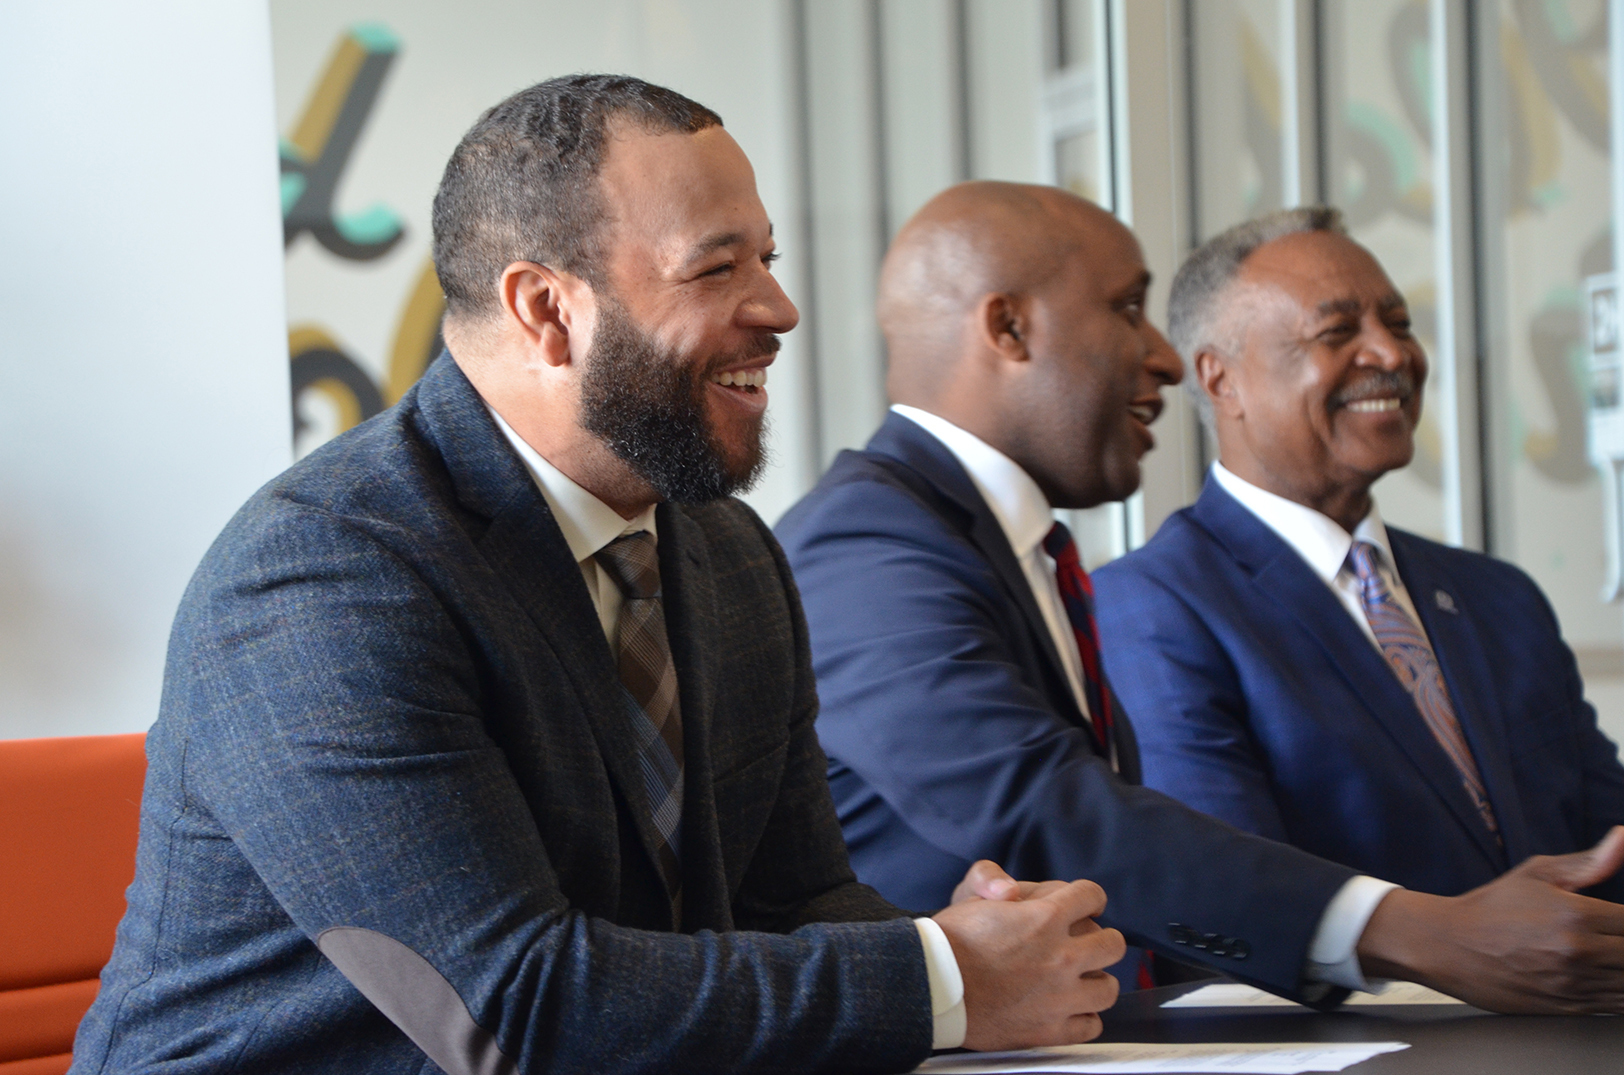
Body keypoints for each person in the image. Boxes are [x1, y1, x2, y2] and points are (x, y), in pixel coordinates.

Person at [69, 78, 1125, 1075]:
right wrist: (938, 980)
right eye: (717, 269)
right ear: (545, 311)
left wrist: (964, 940)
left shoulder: (727, 551)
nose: (780, 308)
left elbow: (793, 903)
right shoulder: (324, 577)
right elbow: (511, 1004)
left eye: (768, 257)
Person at [776, 179, 1624, 1014]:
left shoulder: (1006, 548)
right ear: (1008, 326)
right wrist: (1425, 931)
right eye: (1126, 307)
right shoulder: (870, 544)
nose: (1166, 356)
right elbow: (1046, 806)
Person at [1091, 207, 1624, 903]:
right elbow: (1233, 902)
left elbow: (1606, 843)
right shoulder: (1155, 606)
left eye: (1398, 324)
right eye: (1338, 331)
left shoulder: (1500, 597)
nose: (1393, 354)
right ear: (1222, 380)